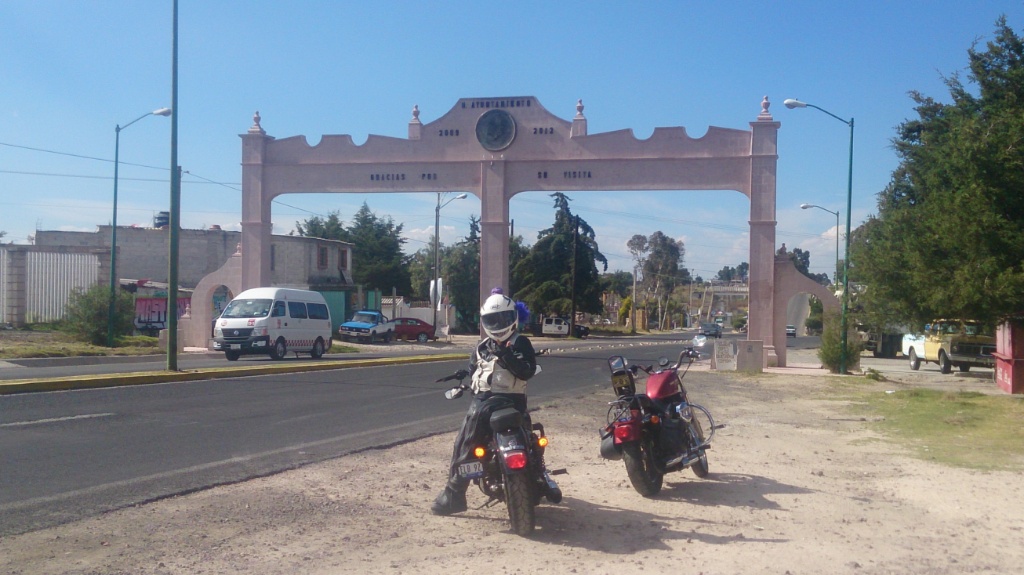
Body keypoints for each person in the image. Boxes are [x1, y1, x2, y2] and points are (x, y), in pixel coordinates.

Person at [431, 292, 537, 516]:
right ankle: (457, 491)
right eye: (493, 320)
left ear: (514, 317)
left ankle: (454, 492)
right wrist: (465, 374)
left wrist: (506, 354)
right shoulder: (480, 347)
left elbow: (526, 371)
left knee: (468, 435)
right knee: (461, 440)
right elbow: (474, 370)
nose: (498, 325)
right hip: (482, 399)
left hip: (508, 400)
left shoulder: (521, 342)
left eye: (503, 318)